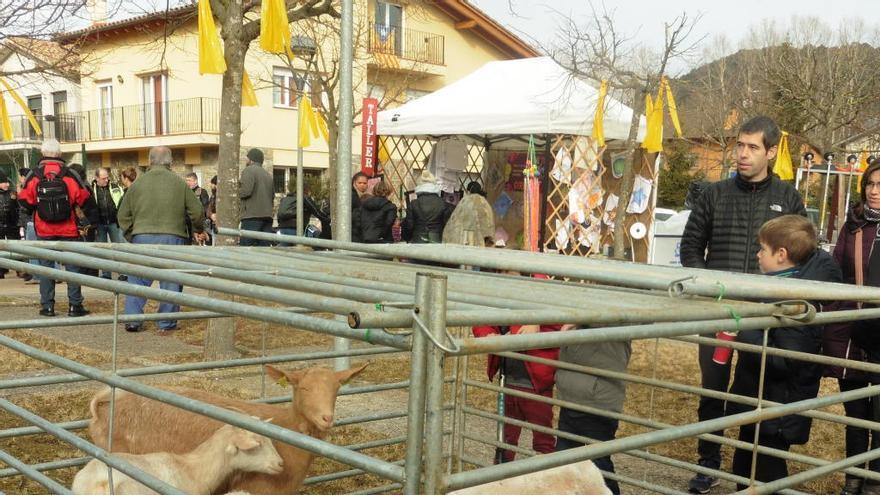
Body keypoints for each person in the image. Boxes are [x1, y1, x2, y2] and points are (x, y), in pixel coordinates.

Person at [679, 115, 806, 494]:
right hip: (717, 312)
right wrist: (712, 290)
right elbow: (690, 248)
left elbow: (801, 257)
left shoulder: (789, 198)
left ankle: (751, 466)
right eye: (739, 145)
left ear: (771, 151)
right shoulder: (713, 194)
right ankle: (708, 461)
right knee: (714, 390)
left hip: (764, 317)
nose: (743, 154)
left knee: (758, 391)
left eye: (753, 147)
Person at [726, 215, 841, 488]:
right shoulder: (777, 290)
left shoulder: (794, 301)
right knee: (745, 470)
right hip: (760, 401)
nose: (757, 255)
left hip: (777, 409)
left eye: (762, 249)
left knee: (767, 473)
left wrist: (748, 332)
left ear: (781, 255)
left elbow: (786, 361)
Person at [827, 158, 880, 495]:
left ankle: (874, 481)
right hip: (852, 332)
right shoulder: (853, 226)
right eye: (871, 185)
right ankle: (851, 480)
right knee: (855, 412)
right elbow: (834, 271)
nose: (875, 192)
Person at [117, 146, 206, 332]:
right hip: (173, 237)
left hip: (142, 237)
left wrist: (133, 234)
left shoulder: (137, 184)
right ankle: (166, 322)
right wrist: (199, 229)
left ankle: (133, 320)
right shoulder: (179, 183)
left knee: (137, 280)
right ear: (170, 162)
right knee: (171, 281)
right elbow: (197, 212)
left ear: (150, 161)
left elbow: (122, 215)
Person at [17, 139, 93, 317]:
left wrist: (36, 209)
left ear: (42, 153)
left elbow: (24, 199)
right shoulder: (70, 174)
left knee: (46, 269)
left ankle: (48, 307)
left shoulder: (34, 174)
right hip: (69, 229)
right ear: (59, 154)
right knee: (73, 269)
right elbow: (84, 198)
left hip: (44, 230)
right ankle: (75, 306)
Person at [555, 323, 631, 495]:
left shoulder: (616, 314)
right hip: (571, 399)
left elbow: (627, 319)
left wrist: (578, 320)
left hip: (598, 402)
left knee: (598, 465)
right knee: (563, 463)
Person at [402, 169, 453, 244]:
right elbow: (447, 227)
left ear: (419, 187)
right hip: (437, 240)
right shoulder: (443, 204)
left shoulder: (414, 204)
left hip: (417, 240)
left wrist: (407, 238)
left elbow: (409, 225)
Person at [91, 167, 125, 278]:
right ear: (96, 178)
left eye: (107, 177)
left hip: (114, 222)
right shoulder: (91, 189)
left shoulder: (116, 187)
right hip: (99, 224)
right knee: (103, 250)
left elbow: (122, 202)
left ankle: (123, 273)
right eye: (103, 178)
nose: (106, 180)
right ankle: (106, 274)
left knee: (118, 249)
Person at [239, 148, 274, 246]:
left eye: (247, 158)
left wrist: (236, 191)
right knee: (263, 250)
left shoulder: (248, 170)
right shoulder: (268, 175)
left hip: (251, 216)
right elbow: (272, 196)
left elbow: (246, 191)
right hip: (267, 217)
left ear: (251, 159)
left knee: (246, 248)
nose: (246, 160)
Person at [276, 178, 328, 245]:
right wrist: (326, 219)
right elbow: (316, 211)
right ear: (306, 190)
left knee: (285, 248)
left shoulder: (286, 198)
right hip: (296, 227)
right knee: (295, 250)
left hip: (282, 228)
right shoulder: (304, 198)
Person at [442, 181, 495, 246]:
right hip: (479, 237)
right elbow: (488, 222)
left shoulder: (465, 201)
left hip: (463, 237)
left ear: (468, 191)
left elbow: (455, 220)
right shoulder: (484, 203)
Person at [0, 171, 20, 279]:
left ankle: (20, 268)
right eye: (3, 182)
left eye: (7, 182)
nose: (7, 184)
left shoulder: (13, 193)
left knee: (16, 246)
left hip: (12, 224)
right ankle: (1, 270)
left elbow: (18, 208)